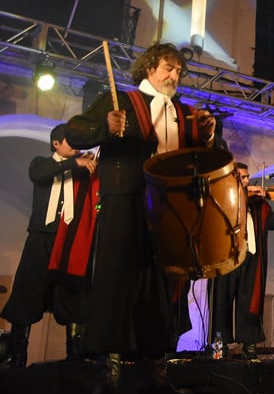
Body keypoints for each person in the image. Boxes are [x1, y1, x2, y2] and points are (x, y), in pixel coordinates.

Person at [66, 43, 223, 392]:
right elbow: (74, 130)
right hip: (126, 199)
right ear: (149, 68)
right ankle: (111, 367)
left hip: (168, 207)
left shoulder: (183, 112)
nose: (174, 75)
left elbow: (203, 156)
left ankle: (156, 366)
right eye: (168, 68)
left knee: (161, 287)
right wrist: (106, 127)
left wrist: (208, 134)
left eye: (179, 71)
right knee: (116, 280)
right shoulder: (120, 100)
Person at [1, 123, 98, 367]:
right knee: (28, 289)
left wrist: (86, 164)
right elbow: (40, 175)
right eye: (71, 142)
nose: (76, 148)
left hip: (70, 240)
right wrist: (72, 163)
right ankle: (17, 354)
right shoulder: (41, 163)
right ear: (56, 143)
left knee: (72, 293)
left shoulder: (81, 168)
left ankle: (76, 355)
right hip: (41, 236)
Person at [210, 162, 274, 361]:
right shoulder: (224, 196)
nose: (247, 180)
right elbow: (230, 205)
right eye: (242, 176)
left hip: (251, 257)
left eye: (247, 177)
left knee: (249, 302)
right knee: (222, 301)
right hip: (227, 258)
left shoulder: (258, 204)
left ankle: (249, 347)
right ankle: (219, 348)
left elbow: (271, 224)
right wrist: (245, 192)